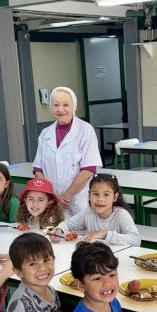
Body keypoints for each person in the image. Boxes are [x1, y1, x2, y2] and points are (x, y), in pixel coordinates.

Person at [32, 87, 102, 217]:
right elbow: (38, 169)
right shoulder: (45, 133)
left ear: (73, 107)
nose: (61, 109)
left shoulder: (85, 130)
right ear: (51, 108)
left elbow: (88, 169)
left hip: (77, 201)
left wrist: (66, 197)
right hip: (51, 200)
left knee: (77, 235)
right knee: (52, 233)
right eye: (56, 105)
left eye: (65, 105)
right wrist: (52, 196)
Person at [52, 173, 141, 246]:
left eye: (106, 195)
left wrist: (105, 234)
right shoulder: (89, 212)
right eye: (95, 194)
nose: (100, 199)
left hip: (116, 260)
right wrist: (58, 231)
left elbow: (136, 240)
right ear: (89, 195)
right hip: (94, 258)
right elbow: (68, 224)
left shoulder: (121, 215)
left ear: (115, 197)